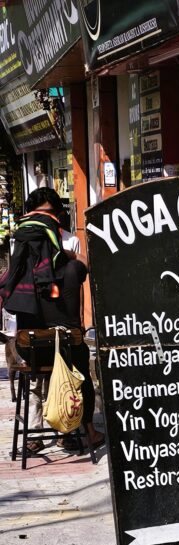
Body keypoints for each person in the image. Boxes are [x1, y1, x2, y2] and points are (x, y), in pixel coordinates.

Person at [0, 187, 102, 453]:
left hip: (31, 348)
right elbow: (85, 267)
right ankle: (80, 430)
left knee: (35, 372)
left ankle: (36, 434)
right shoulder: (69, 260)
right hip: (66, 348)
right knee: (78, 370)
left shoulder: (21, 258)